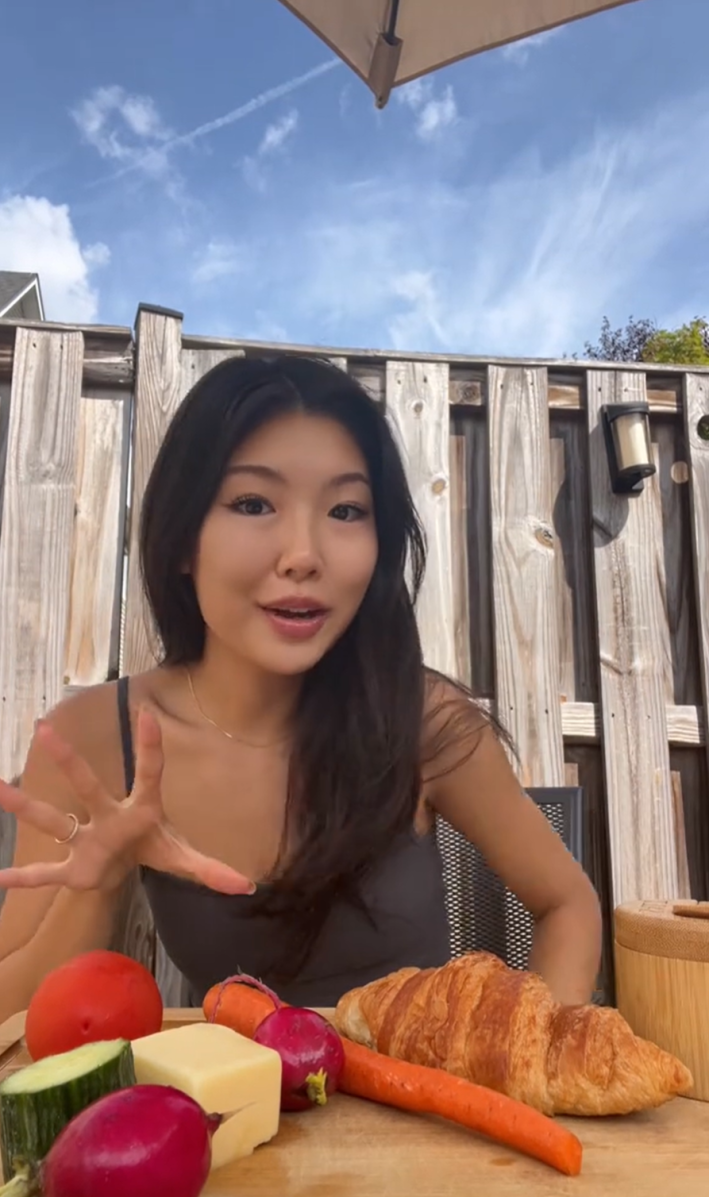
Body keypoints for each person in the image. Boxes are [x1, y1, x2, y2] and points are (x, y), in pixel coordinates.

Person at [0, 354, 601, 1022]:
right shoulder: (94, 738)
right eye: (253, 503)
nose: (304, 555)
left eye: (346, 510)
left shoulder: (421, 722)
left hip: (418, 1086)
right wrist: (95, 888)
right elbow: (12, 1017)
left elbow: (566, 903)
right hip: (232, 1090)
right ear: (181, 539)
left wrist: (534, 1051)